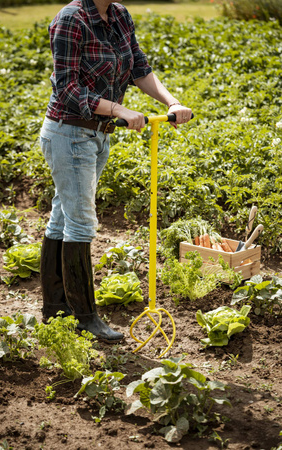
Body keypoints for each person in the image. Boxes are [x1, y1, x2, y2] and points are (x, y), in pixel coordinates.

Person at [40, 0, 192, 342]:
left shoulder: (119, 15)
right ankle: (84, 318)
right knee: (80, 223)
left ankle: (55, 310)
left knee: (63, 219)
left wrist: (171, 102)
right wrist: (118, 108)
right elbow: (67, 88)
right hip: (69, 132)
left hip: (97, 134)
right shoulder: (71, 19)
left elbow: (139, 67)